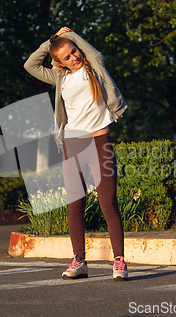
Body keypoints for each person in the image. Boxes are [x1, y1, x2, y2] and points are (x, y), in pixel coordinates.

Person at [24, 26, 128, 281]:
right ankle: (79, 261)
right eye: (67, 57)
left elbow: (95, 53)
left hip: (99, 141)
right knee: (75, 205)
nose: (75, 57)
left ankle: (119, 262)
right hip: (73, 144)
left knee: (108, 204)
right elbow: (30, 65)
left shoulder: (94, 68)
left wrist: (69, 35)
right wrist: (50, 42)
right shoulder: (60, 78)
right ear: (59, 62)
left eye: (74, 51)